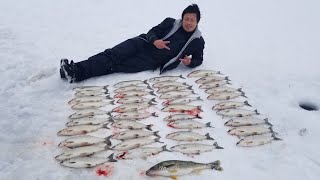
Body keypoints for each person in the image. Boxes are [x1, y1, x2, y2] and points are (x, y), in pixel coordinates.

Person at [60, 4, 205, 83]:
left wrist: (189, 62)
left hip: (149, 60)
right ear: (182, 18)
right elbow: (151, 32)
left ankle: (76, 73)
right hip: (140, 43)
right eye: (186, 19)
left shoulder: (197, 41)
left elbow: (199, 59)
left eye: (192, 20)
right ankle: (73, 69)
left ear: (197, 21)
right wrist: (155, 41)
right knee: (111, 55)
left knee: (114, 66)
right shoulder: (170, 22)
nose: (188, 22)